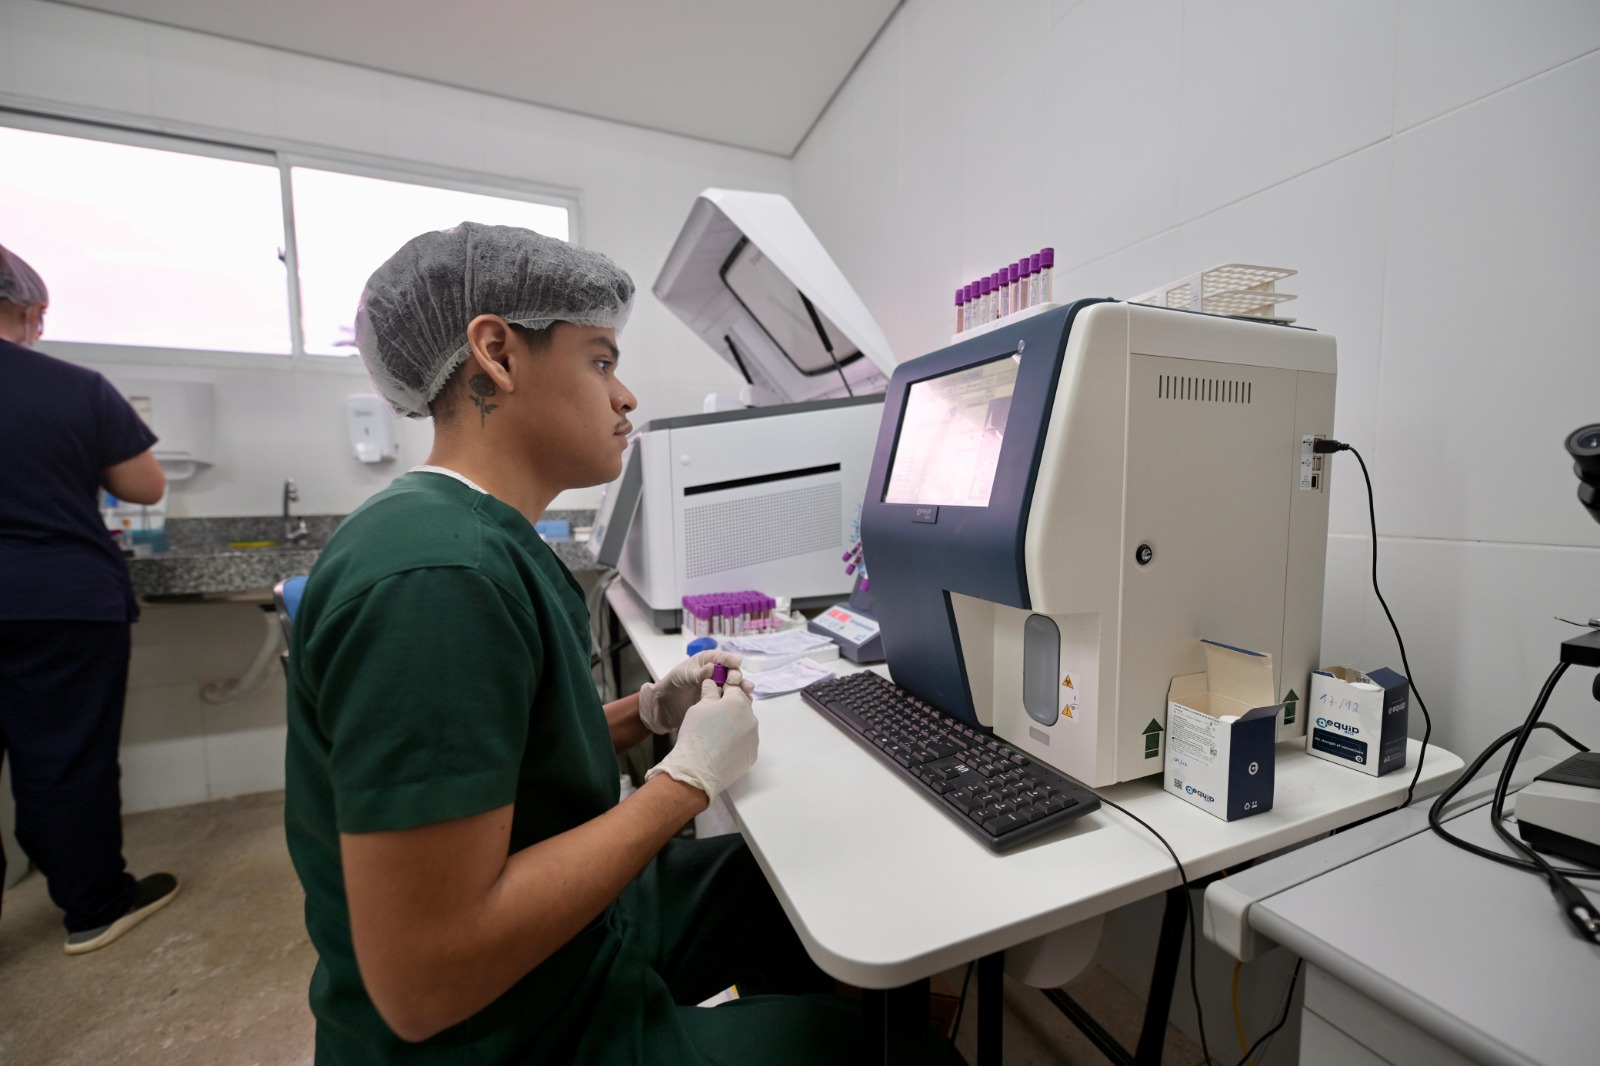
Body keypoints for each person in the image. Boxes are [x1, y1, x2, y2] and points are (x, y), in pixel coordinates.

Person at [285, 223, 868, 1064]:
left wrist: (647, 713)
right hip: (502, 1035)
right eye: (601, 361)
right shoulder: (437, 578)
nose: (625, 397)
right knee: (863, 1045)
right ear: (497, 354)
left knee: (791, 881)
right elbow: (426, 982)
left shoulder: (462, 535)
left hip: (562, 957)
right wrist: (684, 784)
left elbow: (496, 759)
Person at [0, 244, 180, 953]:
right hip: (58, 597)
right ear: (33, 311)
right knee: (65, 759)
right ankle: (94, 907)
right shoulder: (72, 388)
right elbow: (145, 486)